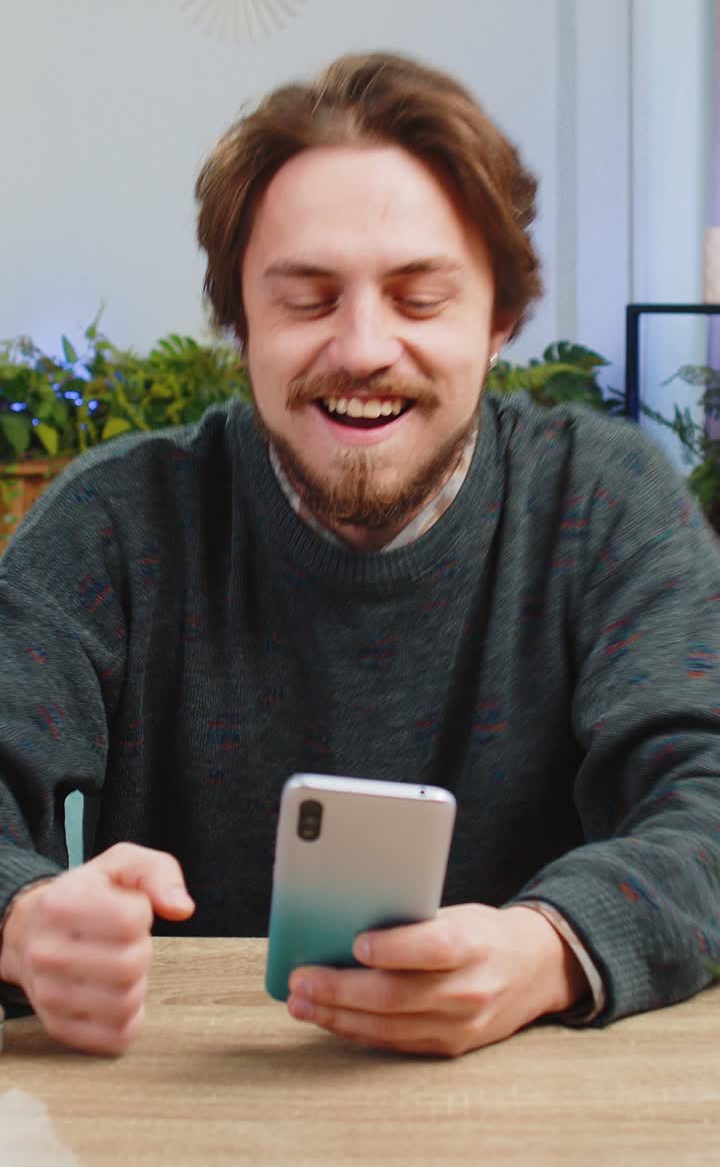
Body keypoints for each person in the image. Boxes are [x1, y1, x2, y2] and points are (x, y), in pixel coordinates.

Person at [1, 52, 719, 1060]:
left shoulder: (606, 504)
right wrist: (22, 915)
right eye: (307, 298)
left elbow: (707, 798)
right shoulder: (116, 524)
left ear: (501, 319)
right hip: (194, 1102)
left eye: (421, 297)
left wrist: (549, 944)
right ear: (239, 320)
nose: (364, 347)